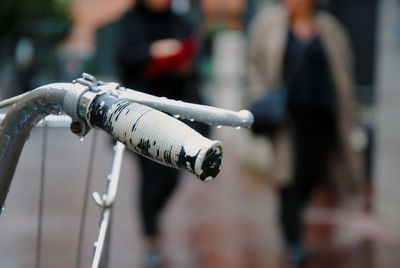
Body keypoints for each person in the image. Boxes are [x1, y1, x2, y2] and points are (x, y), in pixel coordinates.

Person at [248, 0, 362, 266]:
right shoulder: (269, 22)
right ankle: (294, 241)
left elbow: (344, 73)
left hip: (321, 120)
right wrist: (260, 94)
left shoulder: (331, 29)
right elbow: (254, 62)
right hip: (286, 119)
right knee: (288, 179)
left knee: (311, 177)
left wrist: (347, 114)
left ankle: (293, 217)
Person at [114, 0, 207, 267]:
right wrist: (152, 52)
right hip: (139, 113)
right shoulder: (130, 20)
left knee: (172, 176)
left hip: (174, 112)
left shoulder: (180, 21)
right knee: (150, 175)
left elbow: (193, 66)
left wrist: (184, 65)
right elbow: (124, 58)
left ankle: (151, 219)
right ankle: (150, 238)